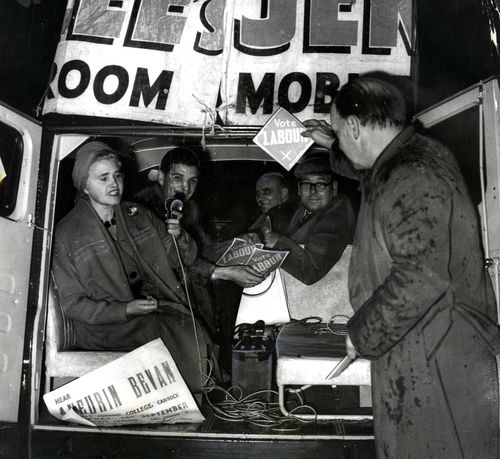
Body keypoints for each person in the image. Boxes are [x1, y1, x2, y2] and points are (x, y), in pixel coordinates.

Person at [302, 76, 499, 458]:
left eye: (341, 132)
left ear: (356, 127)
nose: (340, 139)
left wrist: (361, 334)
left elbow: (419, 278)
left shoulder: (411, 176)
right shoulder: (410, 158)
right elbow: (369, 171)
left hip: (436, 358)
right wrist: (333, 146)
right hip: (422, 344)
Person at [52, 141, 211, 393]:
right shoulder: (66, 233)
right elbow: (73, 305)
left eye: (117, 175)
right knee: (162, 328)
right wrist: (125, 309)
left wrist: (178, 236)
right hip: (102, 326)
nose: (113, 184)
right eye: (103, 178)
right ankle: (183, 397)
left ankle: (189, 396)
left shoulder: (137, 213)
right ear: (84, 185)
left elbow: (180, 259)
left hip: (139, 312)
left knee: (187, 323)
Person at [263, 153, 356, 285]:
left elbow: (311, 271)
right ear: (299, 190)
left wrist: (277, 243)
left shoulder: (335, 221)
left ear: (334, 188)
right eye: (306, 184)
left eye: (321, 184)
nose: (313, 191)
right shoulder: (305, 209)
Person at [247, 172, 295, 236]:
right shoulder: (258, 219)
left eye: (266, 192)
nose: (260, 198)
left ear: (283, 194)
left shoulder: (295, 220)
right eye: (258, 194)